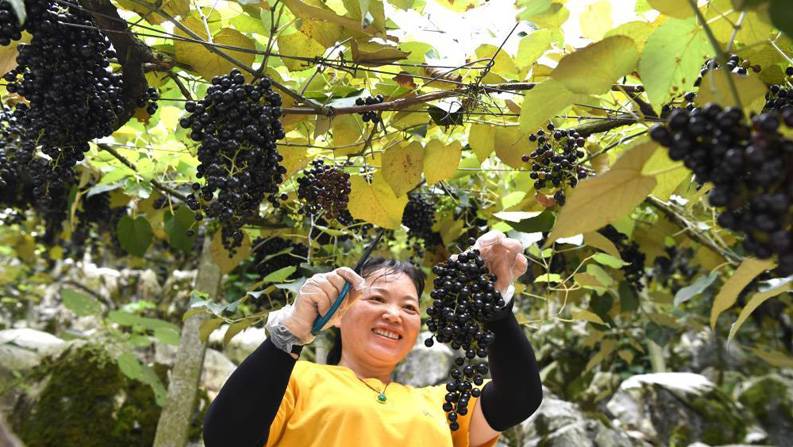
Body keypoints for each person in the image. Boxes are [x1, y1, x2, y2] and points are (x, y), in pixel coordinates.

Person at [203, 230, 543, 447]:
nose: (394, 314)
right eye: (377, 299)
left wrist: (496, 308)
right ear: (338, 312)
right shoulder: (293, 380)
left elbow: (520, 398)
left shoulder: (440, 404)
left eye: (409, 307)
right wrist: (289, 334)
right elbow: (226, 437)